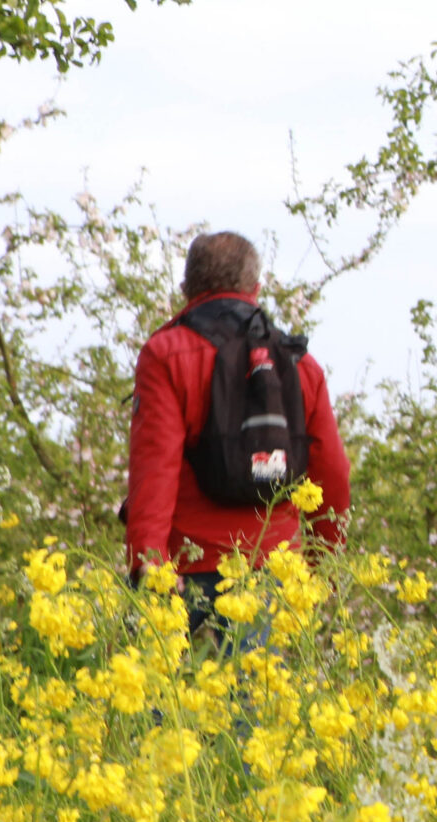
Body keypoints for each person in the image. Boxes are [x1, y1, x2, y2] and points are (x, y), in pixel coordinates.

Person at [125, 230, 350, 629]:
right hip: (274, 568)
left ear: (186, 288)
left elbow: (155, 464)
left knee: (165, 690)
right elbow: (331, 469)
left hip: (184, 569)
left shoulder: (166, 354)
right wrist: (322, 565)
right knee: (256, 691)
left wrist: (148, 557)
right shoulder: (299, 362)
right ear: (256, 288)